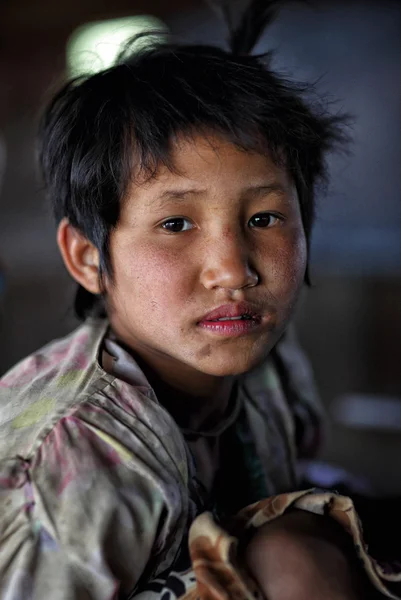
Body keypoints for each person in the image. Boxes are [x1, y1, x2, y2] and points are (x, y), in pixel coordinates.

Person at [0, 2, 399, 598]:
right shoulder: (78, 465)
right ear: (87, 258)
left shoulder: (268, 363)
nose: (233, 271)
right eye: (176, 225)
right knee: (293, 559)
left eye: (264, 217)